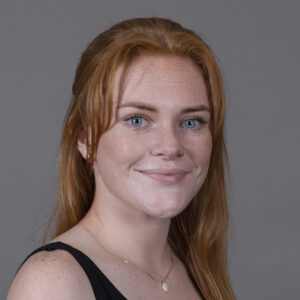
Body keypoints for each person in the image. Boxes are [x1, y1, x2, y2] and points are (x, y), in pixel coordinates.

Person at [7, 17, 236, 300]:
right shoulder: (53, 283)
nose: (170, 146)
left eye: (192, 122)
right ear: (84, 138)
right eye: (137, 120)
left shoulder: (198, 275)